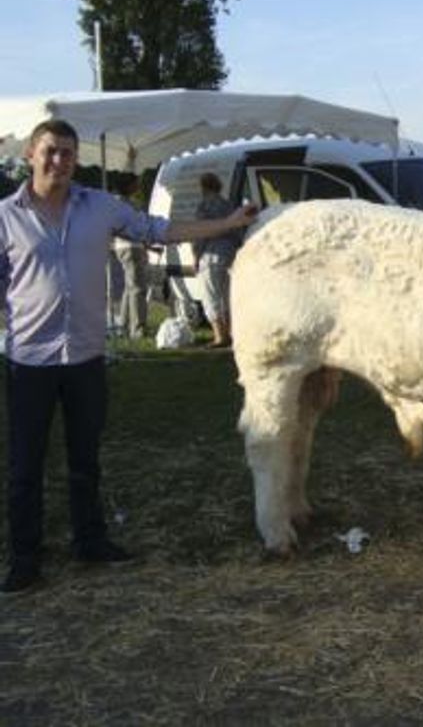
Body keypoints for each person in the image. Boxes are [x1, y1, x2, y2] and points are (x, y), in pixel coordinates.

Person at [0, 119, 257, 594]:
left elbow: (159, 227)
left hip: (85, 359)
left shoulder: (98, 207)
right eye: (51, 151)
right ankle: (25, 559)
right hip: (29, 364)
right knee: (24, 467)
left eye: (68, 154)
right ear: (31, 155)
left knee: (85, 459)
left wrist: (226, 223)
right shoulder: (5, 218)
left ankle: (90, 542)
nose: (59, 161)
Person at [192, 173, 241, 348]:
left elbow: (200, 233)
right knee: (227, 295)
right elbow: (237, 230)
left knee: (210, 295)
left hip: (211, 254)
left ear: (204, 187)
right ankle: (232, 333)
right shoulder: (228, 205)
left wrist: (195, 256)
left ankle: (220, 337)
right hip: (229, 253)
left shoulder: (204, 206)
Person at [113, 178, 149, 339]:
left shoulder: (124, 202)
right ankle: (137, 329)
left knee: (130, 287)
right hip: (129, 247)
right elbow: (130, 227)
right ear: (128, 185)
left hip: (128, 247)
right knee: (138, 288)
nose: (138, 186)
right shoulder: (122, 203)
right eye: (135, 183)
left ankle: (123, 324)